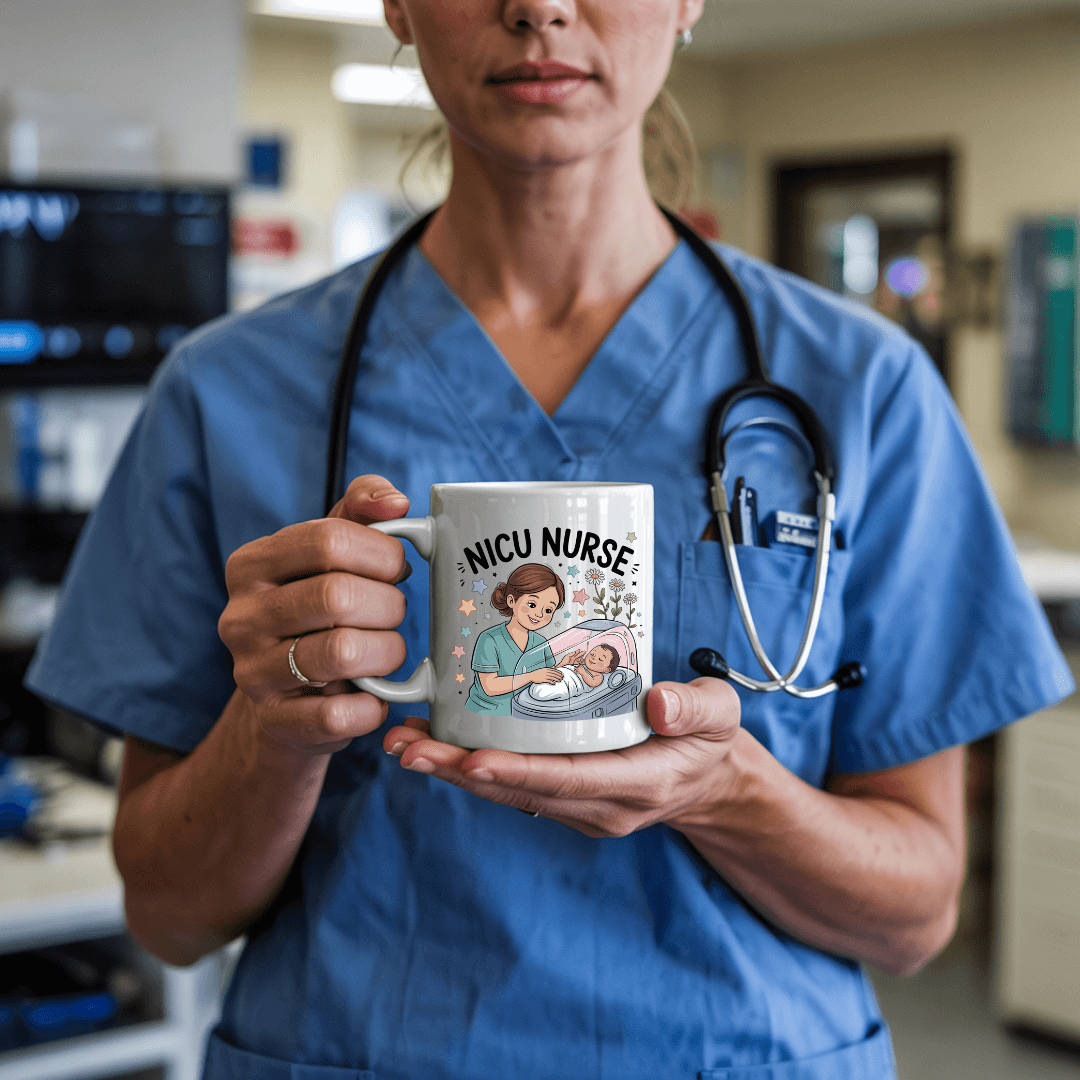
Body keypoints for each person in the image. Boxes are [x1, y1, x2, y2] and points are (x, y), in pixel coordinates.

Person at [25, 0, 1072, 1077]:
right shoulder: (227, 391)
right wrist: (276, 731)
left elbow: (914, 916)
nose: (538, 8)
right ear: (394, 4)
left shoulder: (862, 390)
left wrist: (726, 791)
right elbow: (167, 914)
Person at [465, 562, 565, 714]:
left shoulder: (540, 642)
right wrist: (531, 677)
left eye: (548, 610)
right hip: (485, 715)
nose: (539, 614)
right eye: (532, 604)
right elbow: (490, 687)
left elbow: (546, 676)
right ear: (511, 601)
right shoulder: (489, 639)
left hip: (527, 715)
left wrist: (565, 664)